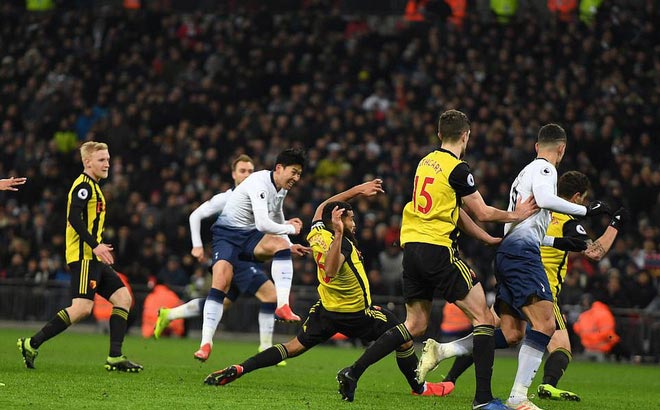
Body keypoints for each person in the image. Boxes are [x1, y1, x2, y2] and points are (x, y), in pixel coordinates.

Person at [336, 109, 538, 410]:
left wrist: (486, 238)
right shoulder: (459, 169)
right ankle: (483, 399)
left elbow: (454, 212)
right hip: (437, 250)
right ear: (466, 136)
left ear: (439, 134)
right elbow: (481, 211)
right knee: (483, 317)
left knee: (415, 324)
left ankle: (353, 371)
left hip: (413, 248)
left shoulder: (425, 163)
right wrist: (516, 215)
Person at [418, 124, 611, 410]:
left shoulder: (524, 174)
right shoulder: (546, 169)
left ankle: (443, 349)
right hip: (521, 254)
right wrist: (586, 210)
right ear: (562, 149)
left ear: (536, 145)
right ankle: (519, 397)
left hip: (510, 251)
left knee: (511, 333)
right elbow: (546, 201)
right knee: (545, 323)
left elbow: (528, 224)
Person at [204, 179, 450, 399]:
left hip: (327, 309)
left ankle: (240, 368)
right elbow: (331, 270)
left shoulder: (317, 232)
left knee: (293, 347)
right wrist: (341, 233)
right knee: (402, 335)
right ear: (339, 222)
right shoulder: (342, 245)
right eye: (350, 219)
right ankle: (398, 383)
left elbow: (324, 205)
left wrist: (358, 190)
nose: (354, 224)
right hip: (356, 313)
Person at [18, 141, 142, 372]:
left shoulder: (94, 186)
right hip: (84, 256)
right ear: (88, 162)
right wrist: (95, 245)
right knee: (83, 307)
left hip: (93, 256)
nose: (107, 164)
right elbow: (75, 219)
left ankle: (115, 356)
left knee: (123, 298)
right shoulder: (83, 186)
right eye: (101, 160)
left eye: (107, 159)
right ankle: (31, 343)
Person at [154, 155, 288, 365]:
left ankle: (169, 314)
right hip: (236, 258)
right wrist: (197, 245)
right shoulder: (227, 198)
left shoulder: (262, 194)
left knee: (220, 302)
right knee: (270, 295)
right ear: (233, 174)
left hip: (246, 254)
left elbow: (270, 223)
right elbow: (195, 215)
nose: (247, 174)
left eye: (250, 171)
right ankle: (265, 346)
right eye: (242, 170)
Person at [193, 148, 310, 362]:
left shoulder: (281, 188)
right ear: (279, 168)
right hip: (227, 236)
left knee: (280, 246)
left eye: (299, 174)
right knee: (220, 282)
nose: (296, 178)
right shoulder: (259, 182)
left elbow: (276, 216)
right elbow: (264, 223)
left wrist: (289, 242)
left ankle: (283, 306)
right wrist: (291, 229)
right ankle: (205, 343)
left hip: (250, 237)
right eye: (293, 172)